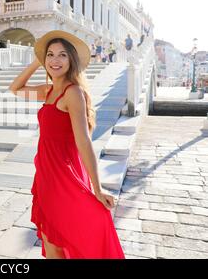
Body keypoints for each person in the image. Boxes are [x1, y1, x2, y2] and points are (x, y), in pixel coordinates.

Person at [8, 30, 125, 259]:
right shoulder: (48, 91)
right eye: (50, 55)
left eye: (62, 55)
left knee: (62, 239)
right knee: (53, 242)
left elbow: (84, 141)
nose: (55, 60)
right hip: (45, 176)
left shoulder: (73, 93)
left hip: (63, 176)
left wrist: (97, 188)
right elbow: (15, 88)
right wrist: (36, 61)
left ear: (71, 59)